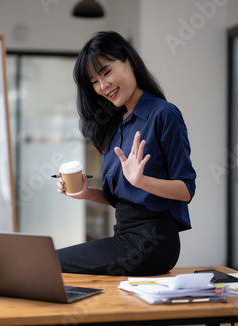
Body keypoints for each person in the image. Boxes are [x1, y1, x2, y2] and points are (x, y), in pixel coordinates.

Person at [55, 31, 196, 276]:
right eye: (94, 82)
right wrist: (86, 192)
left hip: (154, 242)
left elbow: (186, 190)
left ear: (129, 61)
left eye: (106, 72)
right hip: (125, 237)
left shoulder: (164, 114)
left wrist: (142, 181)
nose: (102, 86)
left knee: (51, 261)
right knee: (51, 261)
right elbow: (120, 198)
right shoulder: (114, 126)